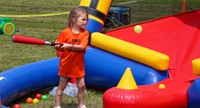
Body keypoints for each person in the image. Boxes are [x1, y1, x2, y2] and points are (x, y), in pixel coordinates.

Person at [54, 7, 89, 108]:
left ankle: (81, 105)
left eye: (86, 19)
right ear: (74, 20)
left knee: (82, 85)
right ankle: (57, 105)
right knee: (62, 86)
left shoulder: (85, 33)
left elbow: (82, 47)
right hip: (66, 64)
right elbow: (59, 46)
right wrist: (58, 46)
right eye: (83, 19)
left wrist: (69, 46)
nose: (85, 22)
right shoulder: (66, 32)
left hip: (78, 65)